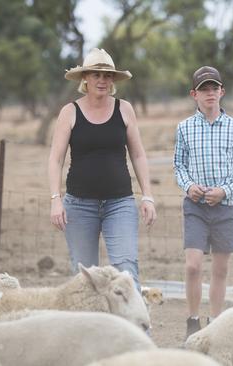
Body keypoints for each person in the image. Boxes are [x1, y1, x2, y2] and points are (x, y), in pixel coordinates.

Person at [48, 48, 157, 292]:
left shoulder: (124, 109)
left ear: (113, 80)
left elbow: (138, 154)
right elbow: (55, 159)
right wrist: (56, 199)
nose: (102, 80)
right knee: (85, 276)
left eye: (107, 76)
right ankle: (90, 329)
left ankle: (137, 331)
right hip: (79, 205)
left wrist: (148, 195)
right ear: (85, 79)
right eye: (96, 74)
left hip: (120, 203)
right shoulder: (70, 112)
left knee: (126, 270)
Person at [174, 66, 233, 338]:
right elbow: (179, 166)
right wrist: (188, 186)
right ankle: (193, 321)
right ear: (194, 95)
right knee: (193, 265)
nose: (210, 93)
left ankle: (216, 325)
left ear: (222, 92)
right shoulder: (184, 128)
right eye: (204, 89)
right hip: (195, 206)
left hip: (226, 206)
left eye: (214, 88)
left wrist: (224, 190)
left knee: (220, 269)